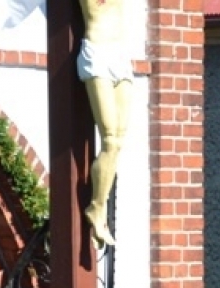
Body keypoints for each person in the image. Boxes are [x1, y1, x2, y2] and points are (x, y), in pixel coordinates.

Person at [77, 0, 133, 248]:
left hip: (120, 54)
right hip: (97, 52)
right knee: (110, 138)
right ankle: (97, 208)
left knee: (119, 140)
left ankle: (99, 207)